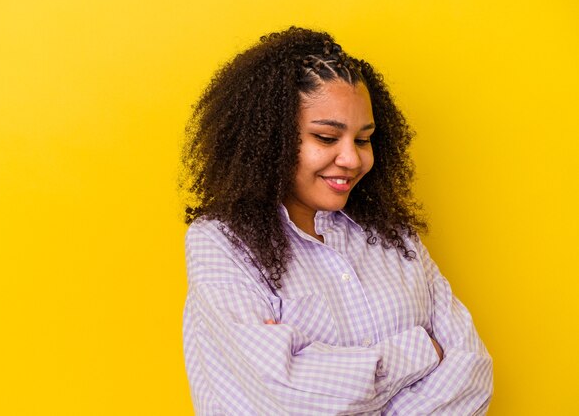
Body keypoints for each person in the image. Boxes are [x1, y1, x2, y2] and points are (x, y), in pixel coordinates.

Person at [179, 26, 493, 415]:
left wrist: (334, 376)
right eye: (327, 138)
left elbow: (472, 373)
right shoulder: (222, 243)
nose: (353, 159)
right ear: (269, 141)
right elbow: (285, 392)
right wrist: (420, 350)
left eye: (363, 140)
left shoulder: (393, 237)